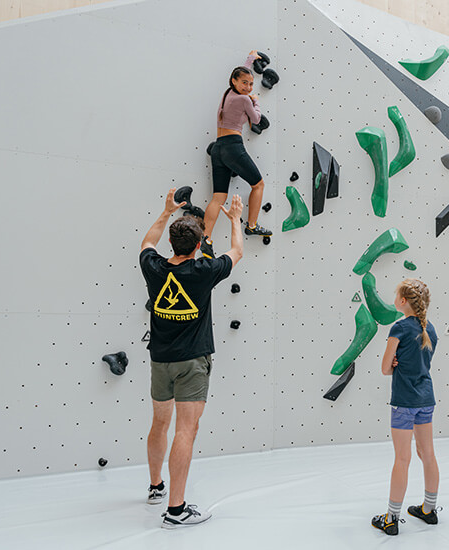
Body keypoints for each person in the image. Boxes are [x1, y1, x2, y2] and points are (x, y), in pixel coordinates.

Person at [139, 188, 244, 528]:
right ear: (198, 245)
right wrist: (236, 219)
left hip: (160, 360)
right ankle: (175, 509)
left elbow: (146, 243)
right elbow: (238, 250)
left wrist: (166, 211)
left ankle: (156, 487)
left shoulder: (153, 268)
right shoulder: (204, 270)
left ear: (172, 243)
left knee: (160, 424)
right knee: (186, 430)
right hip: (192, 363)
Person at [372, 279, 440, 536]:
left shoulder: (398, 328)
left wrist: (396, 364)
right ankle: (429, 509)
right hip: (426, 400)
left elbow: (385, 368)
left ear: (403, 301)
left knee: (402, 458)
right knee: (428, 454)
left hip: (403, 402)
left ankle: (391, 519)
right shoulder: (430, 329)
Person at [201, 50, 271, 259]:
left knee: (218, 197)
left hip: (218, 148)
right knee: (258, 184)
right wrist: (256, 100)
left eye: (251, 84)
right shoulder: (245, 100)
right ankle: (251, 225)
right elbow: (256, 120)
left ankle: (206, 239)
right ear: (234, 81)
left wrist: (250, 59)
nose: (249, 87)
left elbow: (244, 74)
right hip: (233, 146)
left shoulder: (227, 94)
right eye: (245, 84)